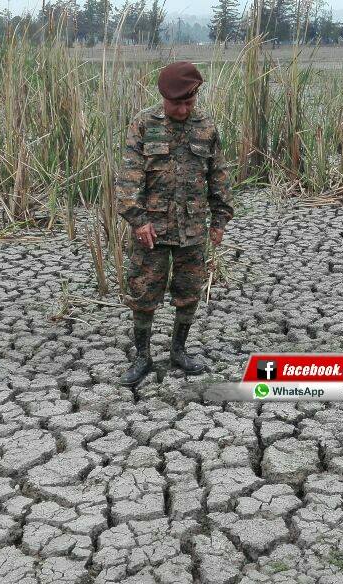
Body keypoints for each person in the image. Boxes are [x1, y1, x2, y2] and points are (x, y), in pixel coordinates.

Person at [115, 61, 233, 387]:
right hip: (150, 231)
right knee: (143, 292)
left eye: (189, 102)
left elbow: (219, 177)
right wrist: (137, 220)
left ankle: (178, 351)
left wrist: (220, 219)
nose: (182, 109)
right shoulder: (144, 125)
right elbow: (128, 180)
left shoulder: (206, 128)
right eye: (176, 103)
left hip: (192, 228)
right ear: (163, 97)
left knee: (188, 292)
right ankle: (142, 357)